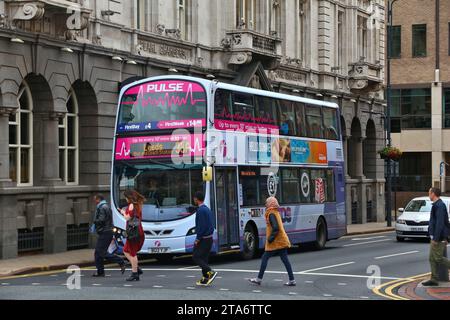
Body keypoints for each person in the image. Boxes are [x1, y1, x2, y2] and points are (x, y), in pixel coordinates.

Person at [249, 197, 296, 286]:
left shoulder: (271, 214)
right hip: (281, 240)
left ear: (271, 204)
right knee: (285, 260)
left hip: (275, 241)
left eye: (267, 203)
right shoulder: (275, 212)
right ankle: (292, 279)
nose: (265, 204)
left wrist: (270, 239)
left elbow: (276, 228)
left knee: (265, 258)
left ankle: (259, 279)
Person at [92, 194, 126, 277]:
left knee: (100, 253)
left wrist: (94, 221)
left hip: (105, 232)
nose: (94, 201)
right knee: (98, 253)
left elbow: (101, 220)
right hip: (107, 231)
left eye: (95, 199)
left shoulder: (102, 207)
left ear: (98, 199)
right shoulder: (105, 206)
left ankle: (120, 261)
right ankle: (100, 272)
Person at [422, 187, 450, 287]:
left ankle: (434, 278)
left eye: (429, 193)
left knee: (437, 258)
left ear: (433, 194)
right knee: (431, 258)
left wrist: (436, 238)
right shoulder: (437, 205)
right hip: (435, 236)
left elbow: (440, 223)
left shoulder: (440, 205)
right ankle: (434, 279)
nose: (428, 195)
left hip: (439, 237)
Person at [192, 191, 218, 286]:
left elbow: (201, 226)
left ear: (196, 199)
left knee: (196, 256)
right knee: (204, 258)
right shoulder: (206, 209)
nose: (193, 199)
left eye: (194, 198)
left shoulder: (201, 210)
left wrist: (198, 239)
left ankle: (210, 271)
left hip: (204, 239)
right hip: (209, 238)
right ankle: (205, 279)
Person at [121, 190, 146, 281]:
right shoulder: (138, 204)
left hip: (133, 232)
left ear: (129, 197)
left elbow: (128, 217)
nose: (125, 199)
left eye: (126, 197)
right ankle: (136, 268)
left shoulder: (131, 205)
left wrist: (123, 212)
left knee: (131, 252)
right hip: (138, 230)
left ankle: (135, 273)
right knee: (126, 250)